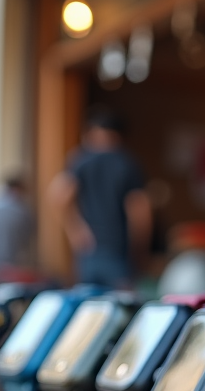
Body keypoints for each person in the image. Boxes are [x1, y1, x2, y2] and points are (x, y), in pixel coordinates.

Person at [48, 107, 152, 286]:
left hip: (88, 247)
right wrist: (140, 251)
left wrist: (76, 230)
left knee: (90, 305)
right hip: (118, 248)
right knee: (120, 306)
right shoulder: (127, 164)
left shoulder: (80, 160)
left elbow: (58, 195)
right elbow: (140, 211)